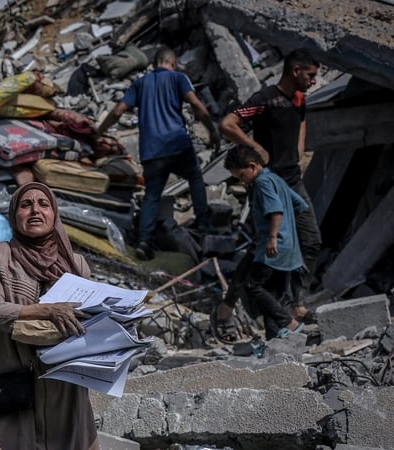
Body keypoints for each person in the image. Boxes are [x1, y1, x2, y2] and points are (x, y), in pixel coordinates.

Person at [0, 182, 99, 450]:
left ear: (54, 214)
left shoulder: (76, 264)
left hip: (65, 384)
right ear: (15, 215)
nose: (35, 210)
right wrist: (47, 310)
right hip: (12, 377)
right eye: (26, 205)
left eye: (43, 204)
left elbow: (91, 316)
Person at [217, 48, 322, 330]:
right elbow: (228, 123)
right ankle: (228, 304)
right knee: (260, 249)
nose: (314, 81)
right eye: (311, 75)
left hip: (293, 180)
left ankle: (296, 301)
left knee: (311, 240)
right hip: (268, 183)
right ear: (295, 71)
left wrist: (300, 147)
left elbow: (301, 120)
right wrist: (254, 147)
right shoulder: (264, 100)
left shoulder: (299, 98)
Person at [96, 45, 220, 260]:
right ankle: (203, 225)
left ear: (154, 64)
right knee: (194, 177)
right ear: (173, 63)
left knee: (152, 196)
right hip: (178, 144)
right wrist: (213, 131)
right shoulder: (178, 78)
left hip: (152, 150)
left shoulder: (139, 83)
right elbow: (197, 105)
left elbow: (117, 111)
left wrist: (99, 132)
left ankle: (144, 241)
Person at [222, 146, 309, 339]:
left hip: (273, 248)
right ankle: (273, 340)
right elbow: (300, 204)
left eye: (242, 175)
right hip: (289, 248)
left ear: (252, 166)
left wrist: (273, 236)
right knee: (272, 294)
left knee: (253, 286)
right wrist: (287, 228)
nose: (242, 180)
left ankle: (288, 322)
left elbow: (275, 209)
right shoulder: (276, 179)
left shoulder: (262, 183)